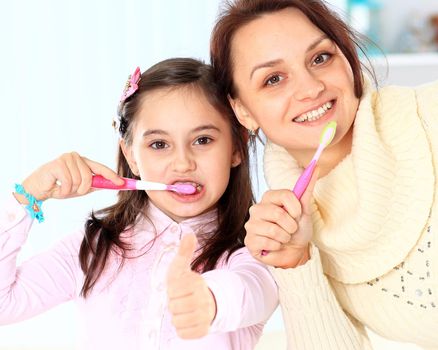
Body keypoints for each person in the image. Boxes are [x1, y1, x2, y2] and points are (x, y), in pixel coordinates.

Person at [0, 58, 278, 349]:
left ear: (236, 147)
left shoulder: (252, 253)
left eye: (203, 140)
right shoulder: (93, 248)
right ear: (131, 156)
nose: (182, 163)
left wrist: (209, 299)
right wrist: (27, 196)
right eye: (159, 145)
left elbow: (254, 290)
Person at [210, 0, 438, 349]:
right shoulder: (290, 230)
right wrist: (295, 262)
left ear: (347, 58)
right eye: (274, 79)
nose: (310, 88)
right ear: (242, 110)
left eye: (320, 58)